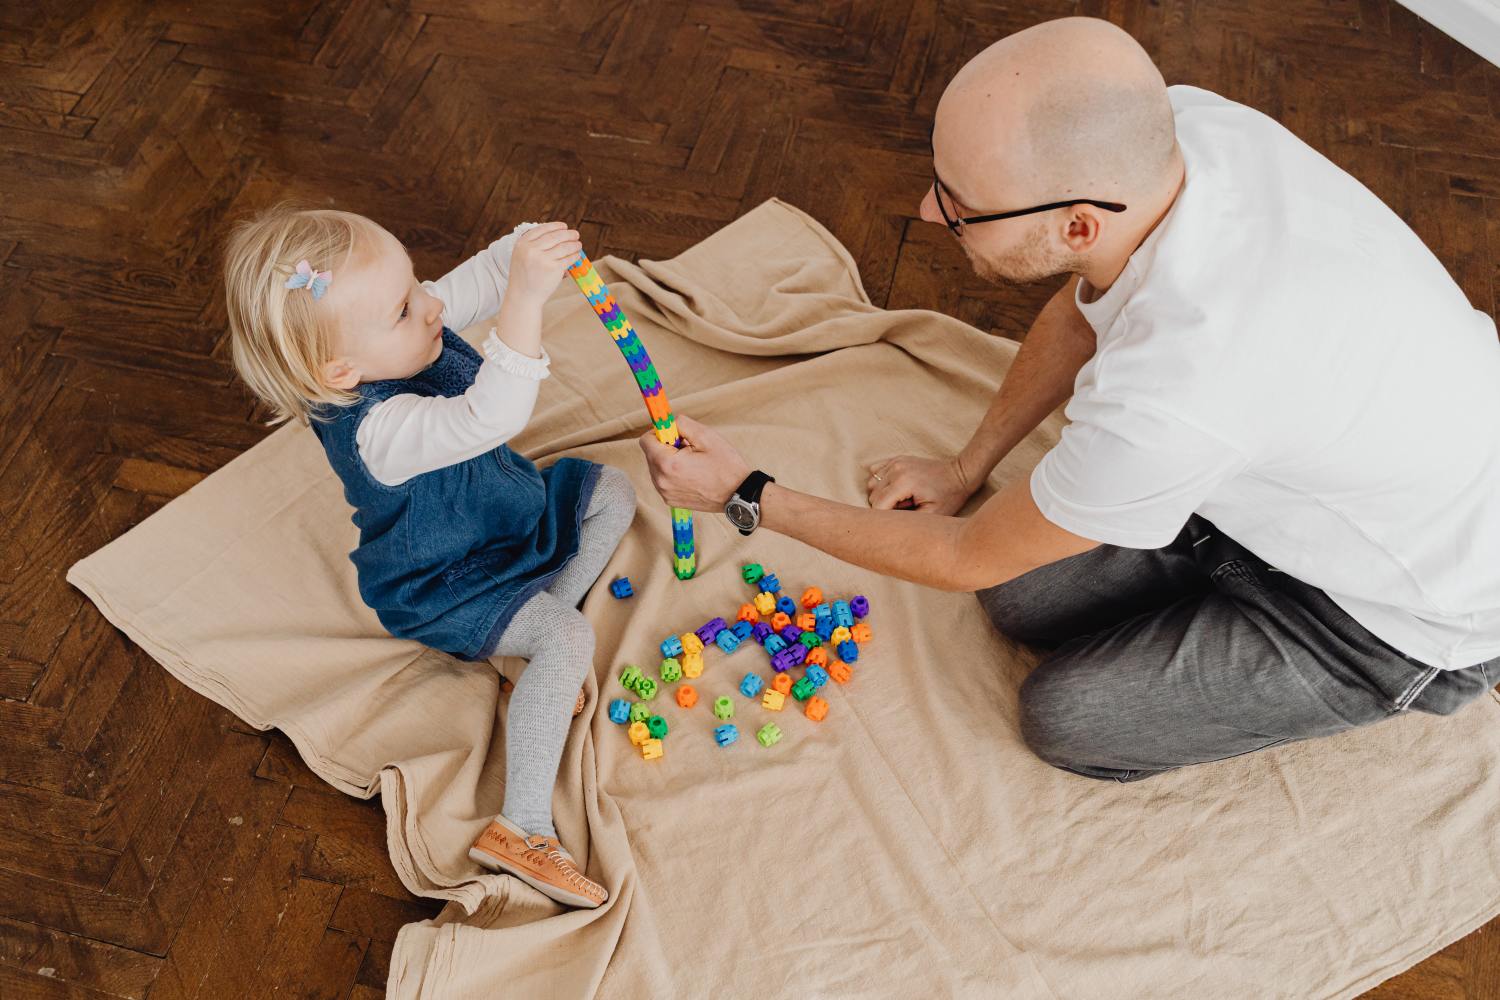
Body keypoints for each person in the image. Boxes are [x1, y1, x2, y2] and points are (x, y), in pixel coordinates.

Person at [638, 16, 1500, 782]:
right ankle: (1207, 559)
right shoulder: (1181, 133)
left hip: (1401, 618)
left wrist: (746, 495)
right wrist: (963, 465)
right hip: (1286, 481)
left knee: (1069, 717)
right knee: (1020, 599)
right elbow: (1087, 314)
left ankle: (1330, 670)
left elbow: (966, 555)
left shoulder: (1179, 388)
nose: (926, 214)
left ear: (1079, 222)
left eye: (961, 206)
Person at [223, 207, 628, 906]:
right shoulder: (376, 431)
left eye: (415, 283)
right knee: (570, 638)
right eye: (408, 304)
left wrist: (520, 248)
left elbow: (470, 285)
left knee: (612, 492)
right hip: (448, 580)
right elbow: (494, 417)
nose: (431, 304)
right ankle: (522, 826)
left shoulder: (403, 329)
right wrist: (526, 301)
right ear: (343, 369)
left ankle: (530, 642)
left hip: (508, 518)